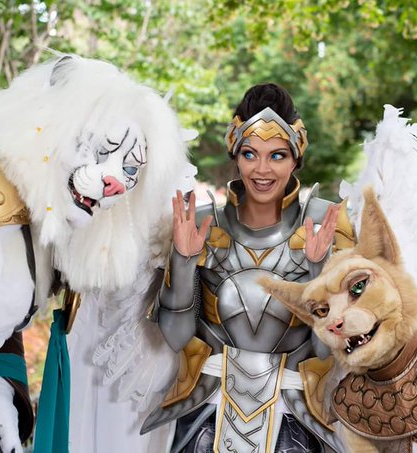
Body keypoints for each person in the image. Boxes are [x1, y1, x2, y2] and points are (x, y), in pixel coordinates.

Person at [140, 84, 354, 452]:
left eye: (277, 155)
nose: (262, 169)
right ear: (235, 154)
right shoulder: (202, 224)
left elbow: (327, 351)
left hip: (296, 417)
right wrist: (183, 260)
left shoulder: (328, 227)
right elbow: (176, 338)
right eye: (250, 153)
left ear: (296, 158)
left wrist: (319, 272)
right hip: (207, 414)